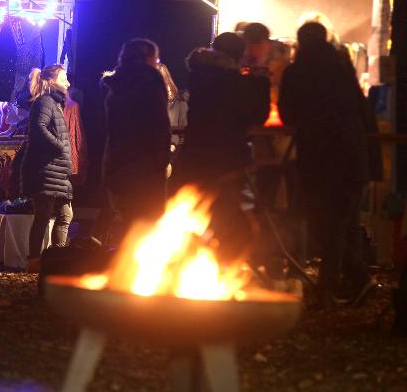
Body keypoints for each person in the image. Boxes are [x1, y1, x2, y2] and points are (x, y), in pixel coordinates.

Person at [279, 22, 375, 306]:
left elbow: (287, 112)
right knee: (341, 223)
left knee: (320, 224)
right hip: (351, 156)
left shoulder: (297, 72)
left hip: (318, 157)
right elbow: (362, 109)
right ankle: (336, 286)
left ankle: (351, 281)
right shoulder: (342, 68)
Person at [176, 32, 270, 263]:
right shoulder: (231, 81)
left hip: (195, 155)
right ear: (239, 55)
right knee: (230, 221)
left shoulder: (199, 74)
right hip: (226, 159)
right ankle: (224, 266)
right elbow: (256, 116)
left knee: (199, 214)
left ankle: (189, 266)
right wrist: (260, 79)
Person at [101, 39, 171, 229]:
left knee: (128, 224)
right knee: (149, 226)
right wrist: (162, 159)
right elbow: (160, 123)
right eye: (156, 60)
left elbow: (112, 132)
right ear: (148, 58)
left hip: (119, 166)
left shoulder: (116, 85)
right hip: (146, 167)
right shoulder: (150, 80)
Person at [21, 64, 73, 272]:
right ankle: (35, 261)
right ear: (51, 81)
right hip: (46, 170)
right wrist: (59, 146)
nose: (68, 82)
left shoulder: (54, 104)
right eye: (64, 78)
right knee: (43, 217)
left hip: (57, 172)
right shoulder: (44, 102)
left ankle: (55, 261)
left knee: (64, 215)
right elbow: (38, 129)